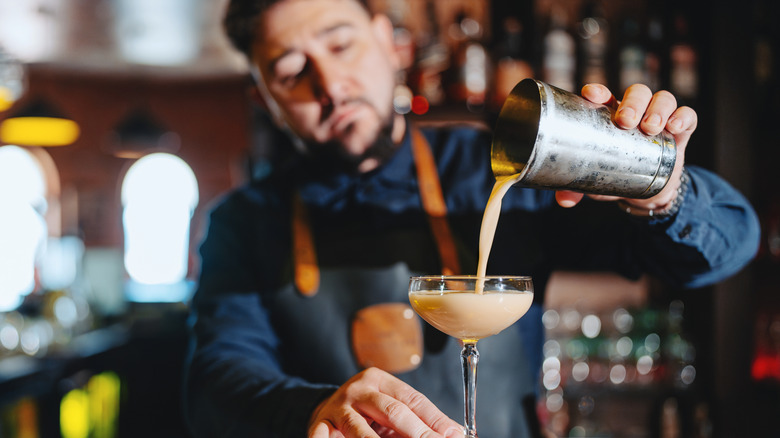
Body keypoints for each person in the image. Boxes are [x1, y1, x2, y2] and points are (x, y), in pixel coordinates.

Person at [182, 0, 760, 437]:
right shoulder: (246, 221)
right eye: (289, 71)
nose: (331, 86)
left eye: (341, 46)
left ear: (390, 43)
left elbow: (729, 243)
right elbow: (215, 382)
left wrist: (661, 191)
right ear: (265, 98)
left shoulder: (489, 167)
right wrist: (311, 407)